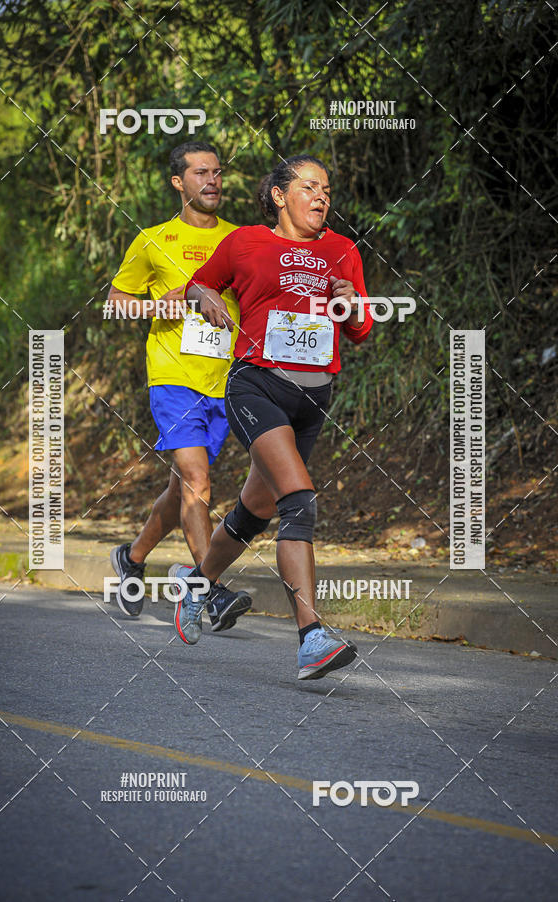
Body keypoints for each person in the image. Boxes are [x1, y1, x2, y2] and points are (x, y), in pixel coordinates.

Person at [170, 154, 373, 678]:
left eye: (327, 190)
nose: (322, 197)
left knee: (254, 512)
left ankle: (196, 584)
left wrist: (351, 303)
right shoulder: (245, 243)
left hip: (313, 398)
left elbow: (360, 329)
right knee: (298, 501)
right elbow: (198, 283)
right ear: (280, 195)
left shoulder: (342, 250)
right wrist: (206, 297)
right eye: (309, 187)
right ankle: (311, 638)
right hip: (256, 385)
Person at [108, 140, 251, 631]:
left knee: (183, 491)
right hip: (173, 377)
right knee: (197, 481)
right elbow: (117, 300)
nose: (212, 181)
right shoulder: (153, 240)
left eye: (217, 172)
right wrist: (156, 306)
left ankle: (131, 557)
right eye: (200, 173)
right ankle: (210, 590)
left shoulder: (241, 239)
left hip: (224, 381)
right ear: (178, 182)